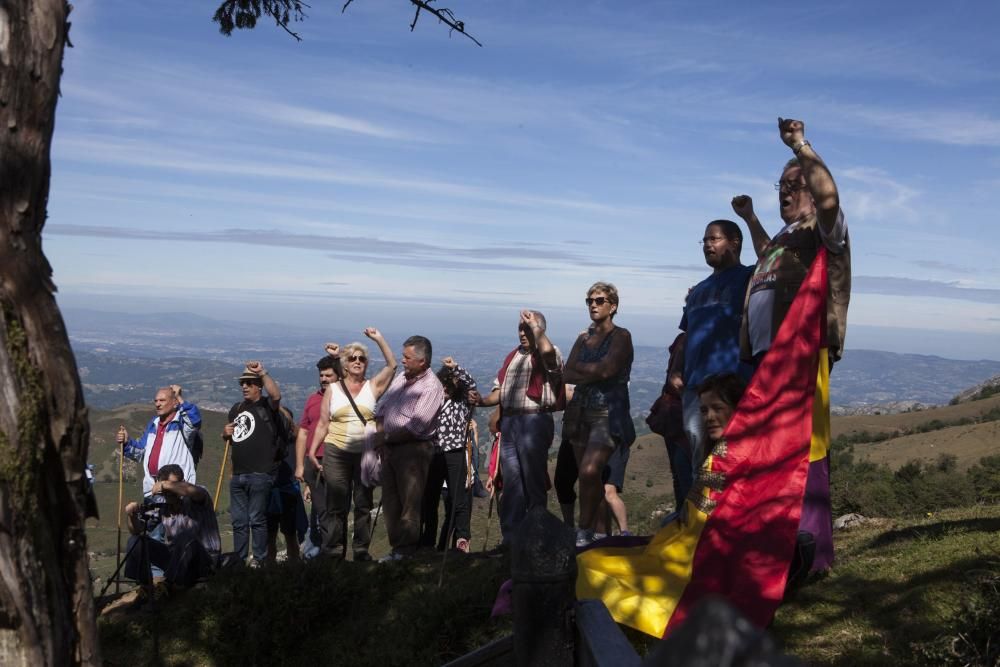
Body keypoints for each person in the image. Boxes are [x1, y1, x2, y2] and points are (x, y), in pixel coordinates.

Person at [730, 117, 851, 368]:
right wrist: (750, 218)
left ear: (813, 193)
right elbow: (768, 256)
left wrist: (799, 145)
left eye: (794, 186)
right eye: (782, 185)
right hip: (762, 354)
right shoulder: (786, 234)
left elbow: (829, 200)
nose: (785, 191)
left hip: (800, 351)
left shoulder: (824, 227)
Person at [671, 220, 753, 477]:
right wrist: (674, 371)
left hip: (731, 385)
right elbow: (686, 335)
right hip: (695, 389)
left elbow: (773, 257)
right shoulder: (698, 291)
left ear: (734, 243)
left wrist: (749, 216)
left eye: (714, 239)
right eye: (704, 240)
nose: (707, 245)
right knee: (701, 463)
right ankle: (704, 515)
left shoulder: (749, 278)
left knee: (733, 459)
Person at [308, 329, 397, 561]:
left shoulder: (373, 387)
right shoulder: (333, 390)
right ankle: (335, 551)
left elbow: (392, 365)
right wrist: (311, 451)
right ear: (344, 365)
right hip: (336, 451)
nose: (358, 361)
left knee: (363, 504)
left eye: (362, 358)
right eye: (353, 358)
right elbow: (323, 424)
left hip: (365, 454)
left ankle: (360, 550)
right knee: (336, 504)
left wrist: (378, 339)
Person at [474, 310, 563, 544]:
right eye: (520, 329)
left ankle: (537, 534)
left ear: (539, 329)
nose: (523, 333)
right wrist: (481, 401)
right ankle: (512, 537)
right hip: (511, 421)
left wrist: (537, 328)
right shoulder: (512, 357)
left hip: (534, 420)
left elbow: (548, 354)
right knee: (512, 482)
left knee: (533, 480)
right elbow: (500, 393)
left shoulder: (547, 353)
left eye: (528, 329)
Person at [563, 282, 635, 547]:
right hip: (581, 412)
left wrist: (586, 370)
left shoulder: (622, 336)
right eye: (589, 300)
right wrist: (592, 370)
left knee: (589, 471)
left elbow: (608, 370)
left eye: (600, 300)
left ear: (613, 306)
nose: (593, 304)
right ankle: (603, 535)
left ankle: (583, 531)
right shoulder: (583, 338)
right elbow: (567, 373)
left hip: (608, 413)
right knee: (591, 480)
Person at [374, 335, 444, 562]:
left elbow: (417, 426)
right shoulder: (401, 378)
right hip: (391, 447)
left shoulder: (431, 386)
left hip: (413, 450)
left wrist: (386, 438)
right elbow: (382, 407)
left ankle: (407, 550)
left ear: (422, 361)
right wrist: (382, 436)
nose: (402, 361)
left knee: (410, 502)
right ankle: (397, 548)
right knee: (391, 500)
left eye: (407, 357)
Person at [223, 361, 283, 566]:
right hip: (238, 474)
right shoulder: (236, 409)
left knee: (257, 519)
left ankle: (259, 560)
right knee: (239, 522)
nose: (244, 386)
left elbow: (276, 395)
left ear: (259, 385)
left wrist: (263, 372)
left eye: (249, 382)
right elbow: (235, 438)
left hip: (260, 473)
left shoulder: (266, 405)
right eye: (243, 383)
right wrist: (225, 434)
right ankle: (239, 561)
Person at [123, 464, 221, 588]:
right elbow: (137, 529)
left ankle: (170, 586)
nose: (168, 492)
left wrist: (165, 485)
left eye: (172, 486)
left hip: (205, 559)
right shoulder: (163, 505)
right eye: (164, 491)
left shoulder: (196, 497)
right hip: (176, 560)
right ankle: (145, 588)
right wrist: (132, 515)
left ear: (183, 482)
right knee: (136, 541)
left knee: (186, 537)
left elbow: (194, 492)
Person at [420, 357, 477, 553]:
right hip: (435, 454)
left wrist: (456, 368)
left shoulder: (461, 402)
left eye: (450, 384)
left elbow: (471, 383)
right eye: (443, 383)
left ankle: (462, 538)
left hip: (455, 453)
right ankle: (427, 540)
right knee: (431, 497)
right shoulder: (432, 403)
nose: (446, 388)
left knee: (457, 496)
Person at [293, 354, 340, 556]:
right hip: (313, 461)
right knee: (320, 510)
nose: (323, 379)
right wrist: (300, 465)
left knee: (334, 509)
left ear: (338, 376)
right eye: (321, 375)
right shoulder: (313, 399)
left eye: (328, 375)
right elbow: (303, 432)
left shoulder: (344, 399)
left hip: (336, 459)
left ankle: (333, 550)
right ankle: (324, 550)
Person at [119, 385, 201, 497]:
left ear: (174, 403)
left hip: (177, 490)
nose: (157, 404)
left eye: (162, 400)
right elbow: (141, 452)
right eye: (156, 401)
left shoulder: (182, 423)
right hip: (152, 489)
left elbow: (195, 421)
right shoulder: (153, 424)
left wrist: (179, 397)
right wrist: (126, 442)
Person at [266, 407, 306, 564]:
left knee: (290, 533)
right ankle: (269, 566)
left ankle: (294, 564)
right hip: (270, 488)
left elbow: (294, 427)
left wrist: (276, 406)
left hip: (288, 488)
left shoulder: (292, 436)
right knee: (269, 535)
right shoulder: (269, 437)